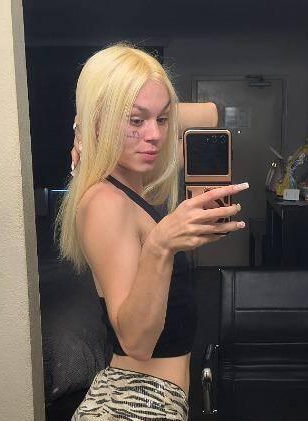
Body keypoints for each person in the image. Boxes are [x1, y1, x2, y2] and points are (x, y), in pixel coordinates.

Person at [56, 43, 249, 421]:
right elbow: (137, 342)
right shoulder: (106, 202)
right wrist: (161, 245)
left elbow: (211, 114)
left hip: (149, 399)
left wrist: (84, 124)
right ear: (102, 122)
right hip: (137, 405)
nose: (156, 135)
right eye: (135, 120)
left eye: (162, 119)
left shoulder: (129, 185)